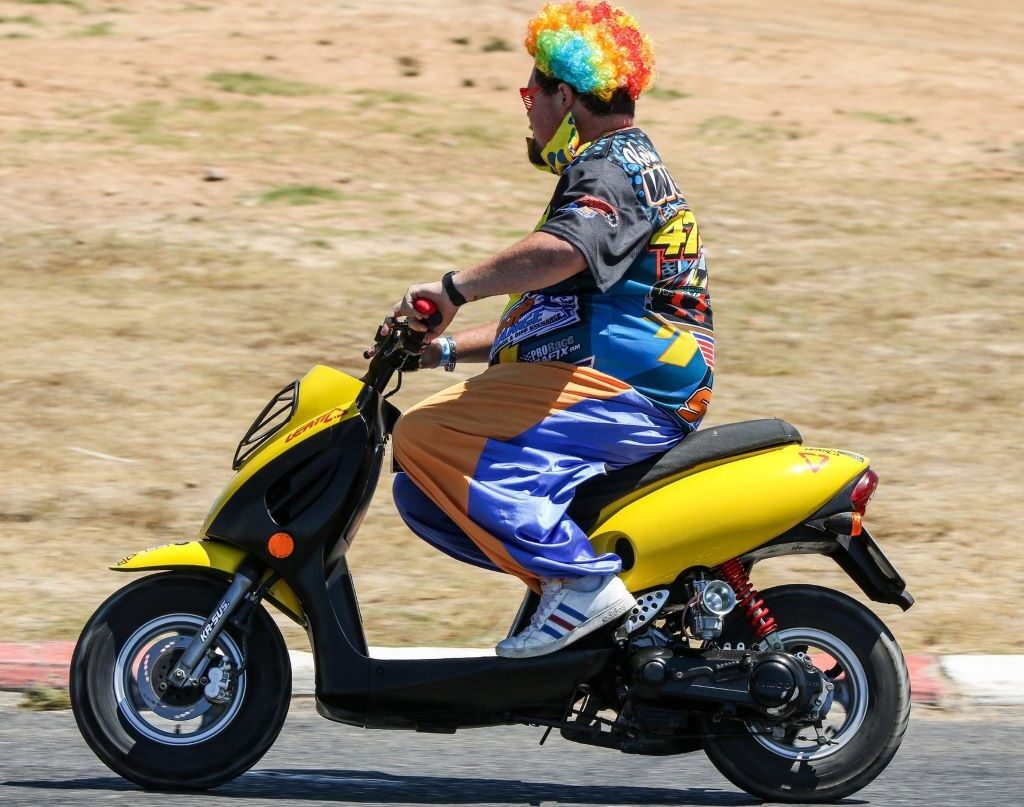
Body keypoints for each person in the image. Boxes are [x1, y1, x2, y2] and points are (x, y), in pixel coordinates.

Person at [383, 0, 713, 658]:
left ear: (565, 96)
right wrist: (437, 351)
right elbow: (543, 320)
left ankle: (578, 581)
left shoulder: (610, 168)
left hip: (631, 389)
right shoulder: (620, 164)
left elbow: (563, 250)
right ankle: (574, 604)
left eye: (531, 94)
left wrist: (453, 288)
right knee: (422, 489)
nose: (527, 108)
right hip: (612, 376)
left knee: (424, 434)